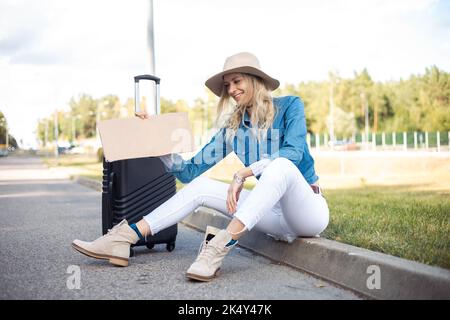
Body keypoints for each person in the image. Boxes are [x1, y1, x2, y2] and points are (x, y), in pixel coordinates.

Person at [72, 52, 329, 282]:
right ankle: (124, 237)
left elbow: (293, 153)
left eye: (237, 81)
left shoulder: (290, 106)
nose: (231, 90)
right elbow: (189, 172)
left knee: (281, 165)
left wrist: (245, 173)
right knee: (200, 186)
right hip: (269, 215)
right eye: (227, 85)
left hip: (307, 213)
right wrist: (157, 138)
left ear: (254, 80)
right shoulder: (233, 128)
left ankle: (217, 248)